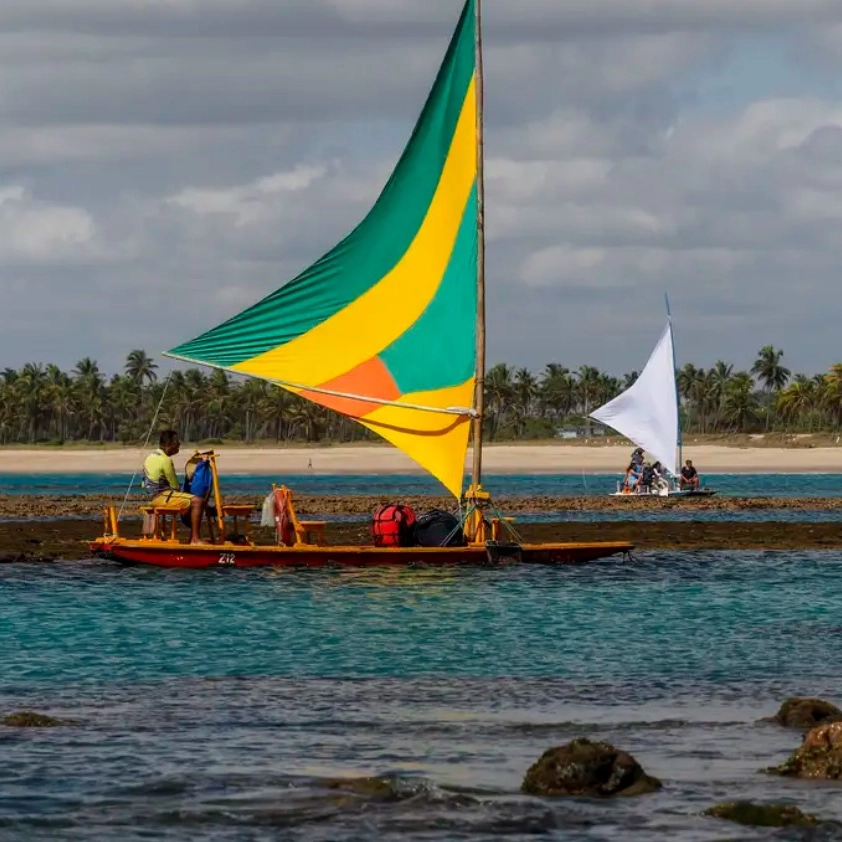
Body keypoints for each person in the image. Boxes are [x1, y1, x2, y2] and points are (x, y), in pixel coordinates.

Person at [143, 430, 210, 544]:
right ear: (169, 444)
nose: (179, 445)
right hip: (161, 497)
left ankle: (192, 536)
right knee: (198, 502)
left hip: (153, 497)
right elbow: (175, 486)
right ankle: (195, 539)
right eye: (176, 443)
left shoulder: (151, 456)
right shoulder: (165, 460)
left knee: (191, 501)